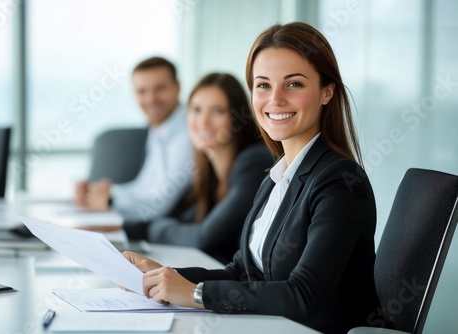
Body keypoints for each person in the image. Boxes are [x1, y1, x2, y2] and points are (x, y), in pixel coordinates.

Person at [121, 22, 380, 334]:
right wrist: (166, 276)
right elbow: (243, 272)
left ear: (327, 91)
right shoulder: (277, 176)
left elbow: (303, 296)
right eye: (263, 85)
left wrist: (194, 293)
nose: (276, 99)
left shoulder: (339, 181)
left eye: (294, 84)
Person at [123, 72, 274, 264]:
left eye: (218, 111)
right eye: (196, 110)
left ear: (237, 117)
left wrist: (153, 229)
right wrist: (119, 229)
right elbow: (179, 221)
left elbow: (202, 237)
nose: (203, 122)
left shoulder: (254, 162)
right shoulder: (208, 170)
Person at [74, 57, 193, 220]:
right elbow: (145, 187)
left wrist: (109, 200)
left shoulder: (190, 131)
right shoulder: (160, 127)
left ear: (177, 87)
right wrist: (106, 190)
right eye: (142, 91)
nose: (151, 99)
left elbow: (156, 205)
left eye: (159, 88)